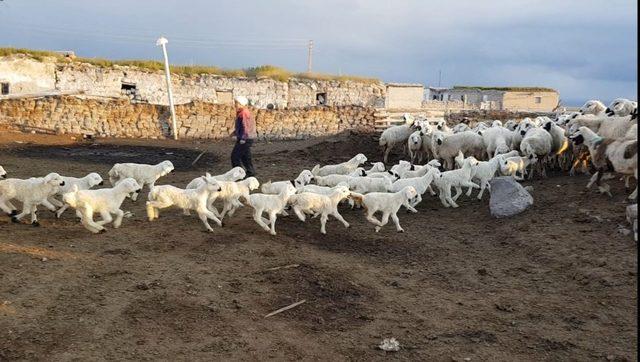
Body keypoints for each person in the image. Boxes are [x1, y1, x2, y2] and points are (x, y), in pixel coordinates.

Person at [231, 96, 256, 177]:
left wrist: (243, 138)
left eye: (237, 103)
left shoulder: (244, 113)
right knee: (245, 156)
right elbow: (241, 126)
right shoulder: (242, 112)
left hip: (245, 138)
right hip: (247, 138)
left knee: (235, 156)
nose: (235, 105)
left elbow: (246, 126)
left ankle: (239, 174)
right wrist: (235, 132)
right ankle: (250, 172)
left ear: (241, 104)